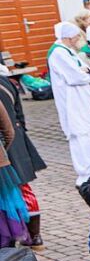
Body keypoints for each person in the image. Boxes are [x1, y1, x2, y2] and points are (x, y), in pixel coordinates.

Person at [48, 22, 90, 185]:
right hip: (72, 103)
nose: (78, 39)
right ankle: (84, 174)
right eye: (76, 36)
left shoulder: (68, 51)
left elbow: (88, 71)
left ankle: (89, 170)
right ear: (68, 37)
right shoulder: (58, 53)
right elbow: (76, 77)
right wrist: (85, 74)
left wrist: (86, 74)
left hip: (81, 100)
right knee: (79, 135)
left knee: (86, 134)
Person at [0, 70, 46, 248]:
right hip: (12, 143)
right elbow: (19, 118)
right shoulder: (8, 81)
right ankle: (33, 237)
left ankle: (33, 236)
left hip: (8, 147)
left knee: (19, 191)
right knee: (21, 190)